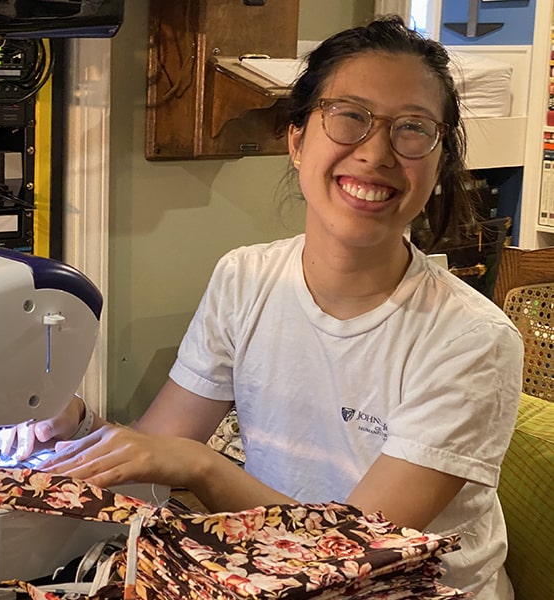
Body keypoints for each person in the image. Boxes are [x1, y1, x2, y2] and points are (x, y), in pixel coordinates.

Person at [29, 16, 522, 600]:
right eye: (350, 117)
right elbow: (159, 447)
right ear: (296, 140)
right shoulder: (247, 277)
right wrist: (75, 425)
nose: (375, 152)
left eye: (412, 128)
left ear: (437, 162)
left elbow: (358, 558)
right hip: (268, 574)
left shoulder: (471, 338)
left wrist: (203, 467)